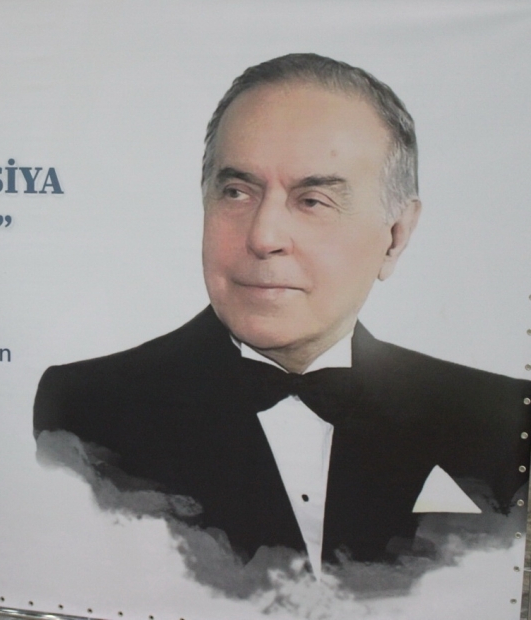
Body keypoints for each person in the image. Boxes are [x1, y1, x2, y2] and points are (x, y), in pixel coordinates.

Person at [33, 54, 531, 596]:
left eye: (312, 200)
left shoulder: (499, 417)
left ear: (396, 236)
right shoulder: (86, 407)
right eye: (236, 192)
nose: (263, 236)